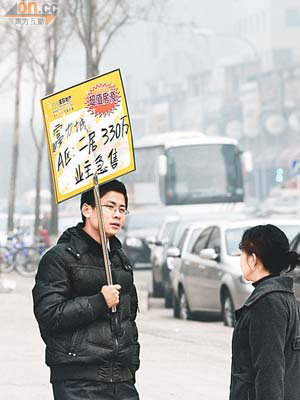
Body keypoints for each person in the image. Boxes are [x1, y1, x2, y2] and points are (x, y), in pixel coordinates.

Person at [32, 180, 140, 400]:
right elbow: (49, 314)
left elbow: (129, 319)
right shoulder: (59, 258)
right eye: (109, 207)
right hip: (78, 382)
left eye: (122, 209)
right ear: (87, 210)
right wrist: (99, 302)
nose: (117, 214)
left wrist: (132, 364)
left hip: (121, 380)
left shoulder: (120, 261)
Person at [229, 224, 300, 400]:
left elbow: (269, 371)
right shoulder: (285, 297)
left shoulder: (267, 303)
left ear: (252, 259)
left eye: (242, 254)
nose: (241, 260)